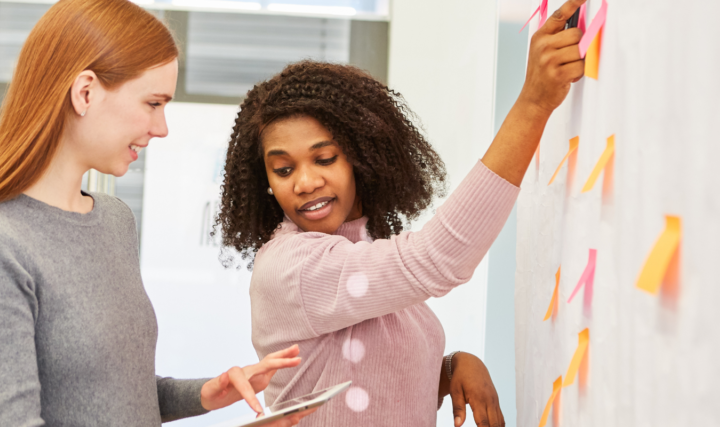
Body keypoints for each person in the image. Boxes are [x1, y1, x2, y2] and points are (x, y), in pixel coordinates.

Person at [0, 0, 311, 425]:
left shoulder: (113, 220)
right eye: (153, 103)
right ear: (85, 92)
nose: (162, 128)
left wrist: (204, 394)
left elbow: (115, 396)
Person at [214, 1, 587, 426]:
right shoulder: (293, 267)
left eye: (324, 158)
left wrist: (448, 369)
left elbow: (376, 382)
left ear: (361, 157)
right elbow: (437, 258)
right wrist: (533, 105)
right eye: (284, 169)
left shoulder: (365, 259)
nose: (303, 182)